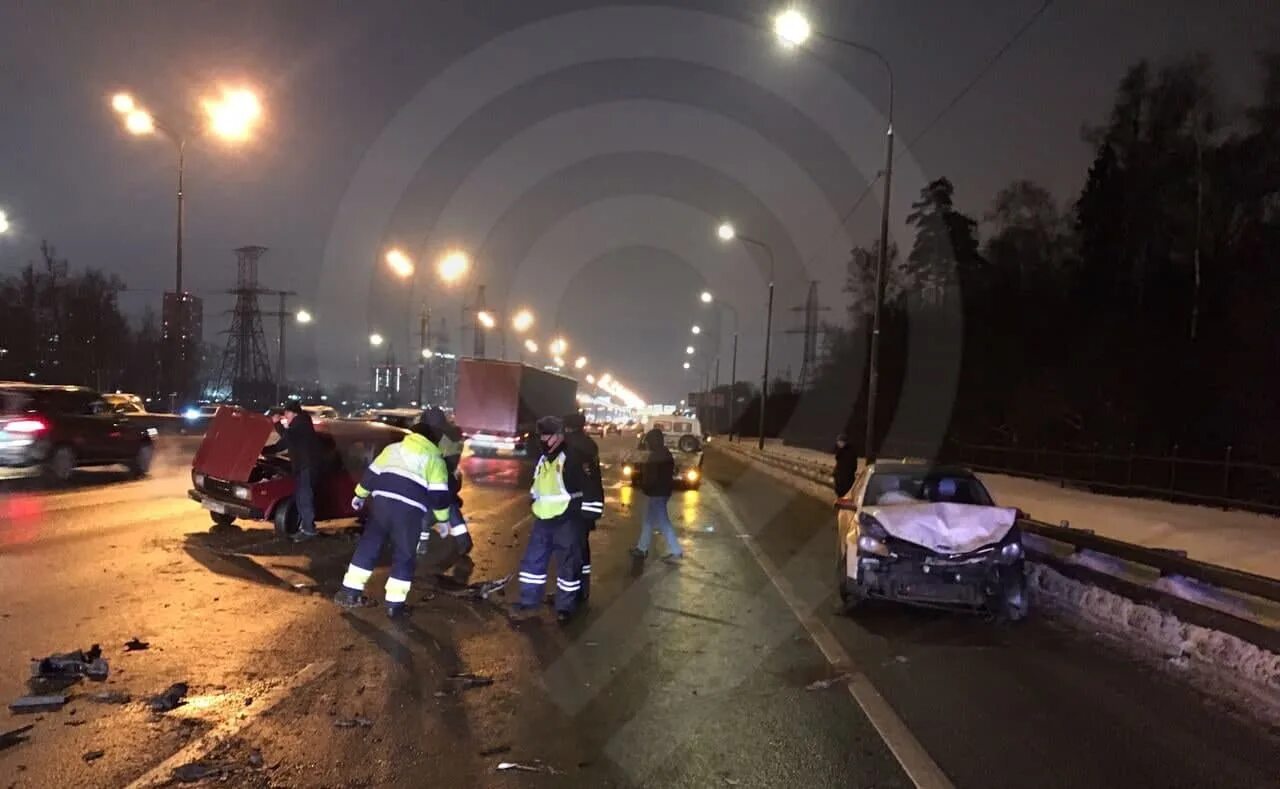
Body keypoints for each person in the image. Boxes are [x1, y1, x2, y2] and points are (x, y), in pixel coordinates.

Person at [333, 421, 453, 618]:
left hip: (381, 505)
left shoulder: (393, 449)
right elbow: (439, 495)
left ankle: (349, 592)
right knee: (404, 555)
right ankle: (394, 606)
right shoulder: (434, 459)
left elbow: (371, 474)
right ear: (432, 440)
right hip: (410, 511)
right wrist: (443, 520)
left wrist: (360, 495)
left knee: (369, 547)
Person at [511, 415, 603, 624]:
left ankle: (566, 607)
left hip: (568, 519)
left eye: (547, 436)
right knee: (533, 563)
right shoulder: (544, 459)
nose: (543, 440)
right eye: (541, 435)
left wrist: (589, 515)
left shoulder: (574, 458)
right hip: (543, 519)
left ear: (559, 436)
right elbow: (538, 486)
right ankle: (528, 601)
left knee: (568, 565)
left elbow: (591, 486)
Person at [561, 411, 603, 604]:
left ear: (568, 427)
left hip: (573, 506)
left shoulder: (570, 446)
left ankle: (572, 593)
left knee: (571, 550)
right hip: (588, 505)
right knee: (582, 546)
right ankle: (582, 588)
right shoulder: (589, 444)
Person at [265, 400, 322, 542]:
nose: (286, 417)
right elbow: (288, 437)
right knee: (301, 498)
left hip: (306, 467)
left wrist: (264, 450)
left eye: (287, 414)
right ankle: (306, 527)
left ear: (293, 413)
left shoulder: (301, 424)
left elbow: (285, 440)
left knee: (304, 498)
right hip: (303, 466)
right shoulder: (300, 424)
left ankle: (309, 531)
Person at [418, 408, 471, 558]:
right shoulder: (453, 434)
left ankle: (421, 545)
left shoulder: (437, 437)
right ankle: (464, 542)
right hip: (449, 477)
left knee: (425, 511)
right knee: (451, 509)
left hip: (438, 478)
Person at [630, 428, 683, 562]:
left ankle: (676, 551)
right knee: (648, 521)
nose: (647, 445)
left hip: (657, 493)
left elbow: (651, 478)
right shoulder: (665, 453)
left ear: (653, 442)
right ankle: (641, 548)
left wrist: (643, 486)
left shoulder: (655, 456)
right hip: (662, 492)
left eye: (648, 442)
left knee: (663, 522)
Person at [833, 433, 858, 497]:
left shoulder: (845, 452)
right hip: (844, 480)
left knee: (843, 496)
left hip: (844, 480)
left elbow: (853, 466)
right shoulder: (843, 451)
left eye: (840, 442)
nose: (838, 444)